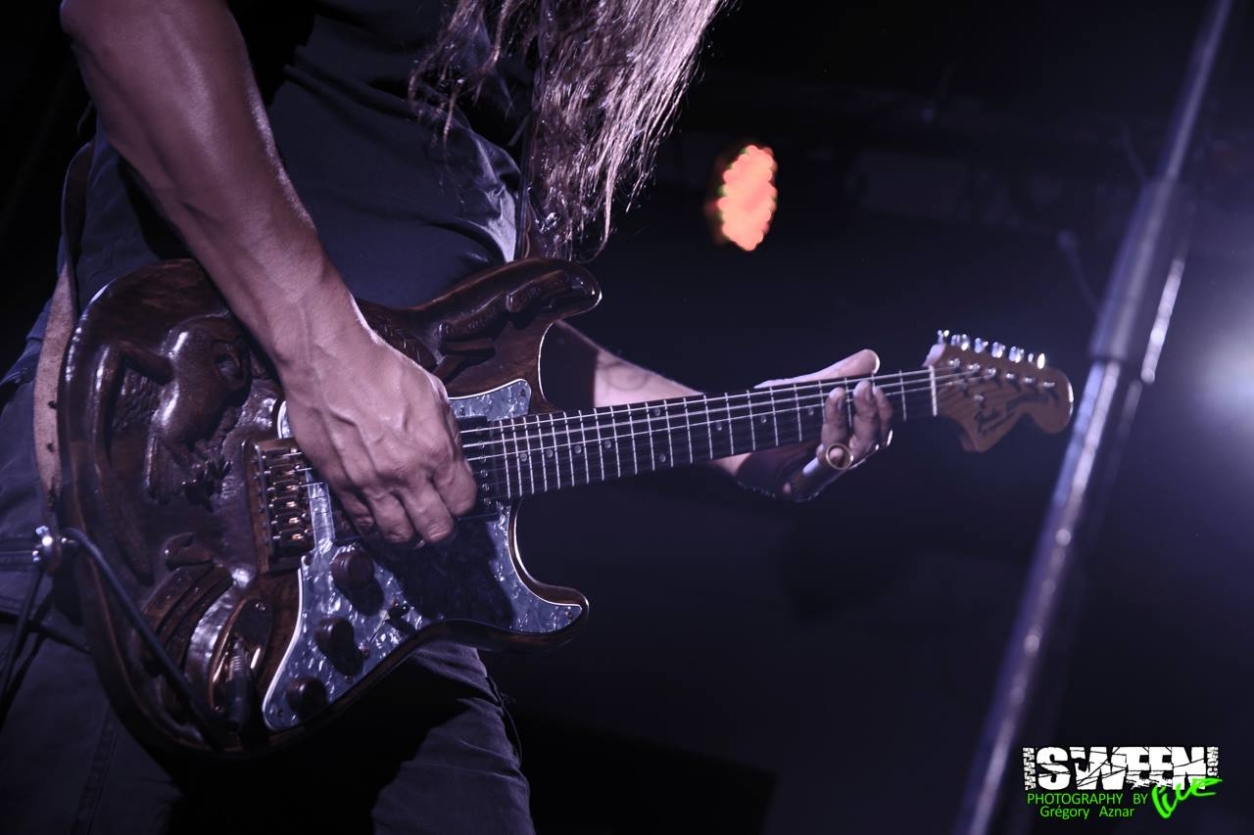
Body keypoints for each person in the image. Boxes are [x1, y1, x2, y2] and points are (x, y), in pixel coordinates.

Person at [0, 0, 893, 832]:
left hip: (390, 587)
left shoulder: (531, 44)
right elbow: (130, 16)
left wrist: (738, 436)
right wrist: (328, 356)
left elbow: (485, 341)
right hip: (165, 503)